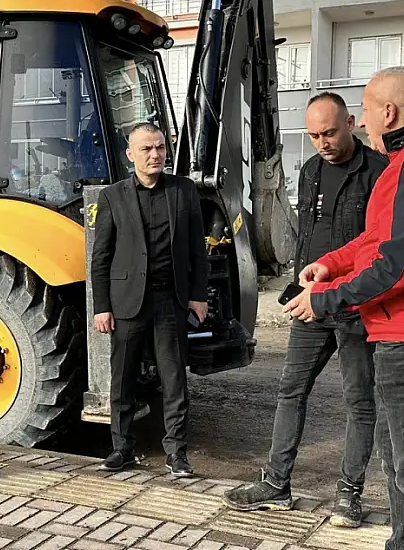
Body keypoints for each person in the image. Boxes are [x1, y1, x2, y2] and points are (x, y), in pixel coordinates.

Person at [282, 66, 404, 550]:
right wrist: (330, 264)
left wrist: (326, 300)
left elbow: (397, 265)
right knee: (401, 467)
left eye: (367, 111)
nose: (364, 120)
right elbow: (378, 239)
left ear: (388, 112)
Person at [223, 92, 388, 528]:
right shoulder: (311, 170)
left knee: (360, 403)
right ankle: (277, 484)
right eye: (314, 134)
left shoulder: (380, 174)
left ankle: (349, 496)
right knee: (290, 391)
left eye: (330, 132)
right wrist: (299, 284)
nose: (322, 142)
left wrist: (338, 293)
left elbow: (377, 249)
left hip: (356, 307)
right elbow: (306, 236)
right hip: (310, 304)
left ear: (351, 122)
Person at [90, 123, 209, 477]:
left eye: (159, 147)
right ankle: (122, 449)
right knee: (122, 379)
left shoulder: (184, 191)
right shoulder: (112, 196)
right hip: (127, 302)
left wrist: (198, 297)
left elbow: (197, 252)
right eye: (146, 149)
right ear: (131, 155)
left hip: (170, 300)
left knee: (174, 380)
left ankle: (177, 454)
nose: (154, 154)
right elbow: (101, 257)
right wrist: (102, 306)